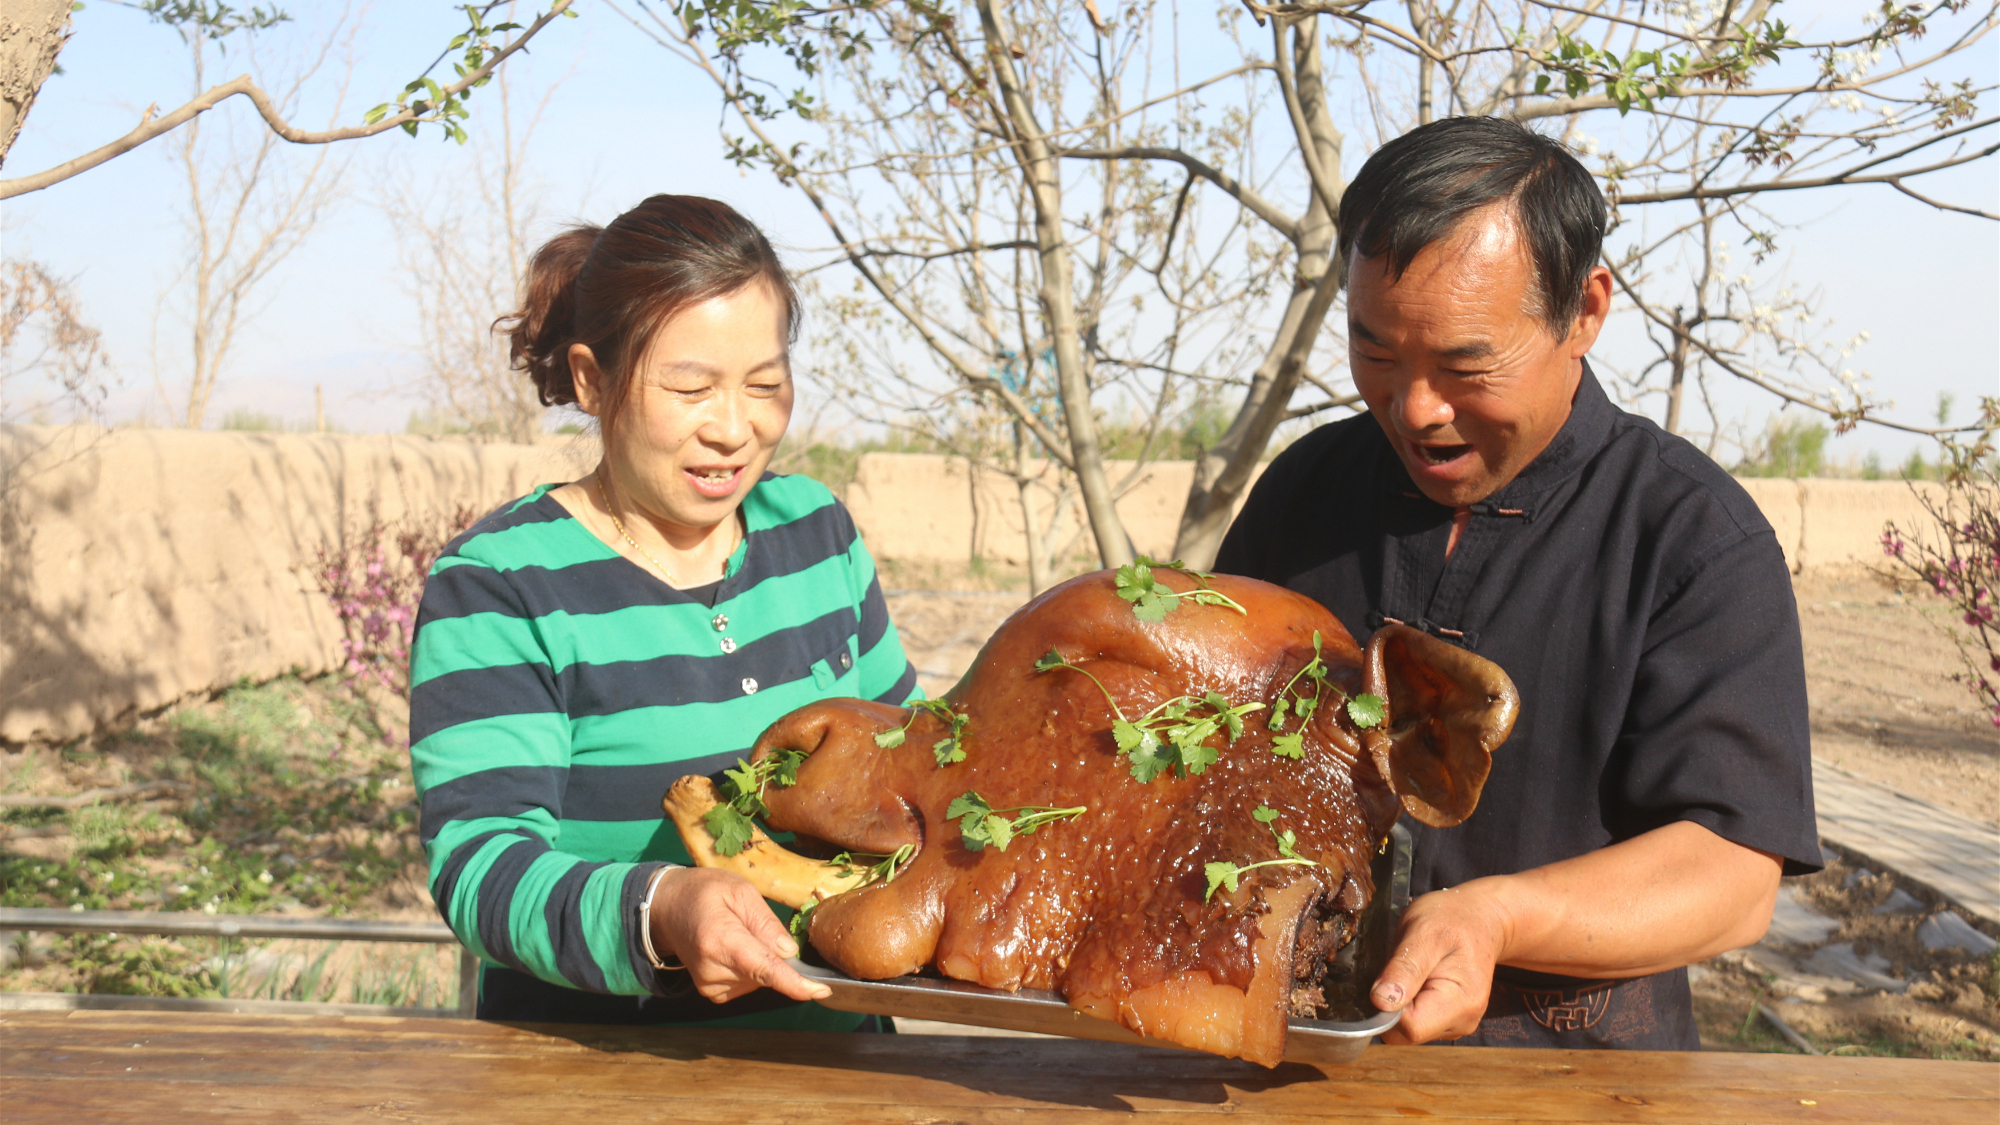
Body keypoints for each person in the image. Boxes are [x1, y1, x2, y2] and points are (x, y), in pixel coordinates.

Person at [1214, 117, 1820, 1049]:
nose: (1416, 409)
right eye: (1377, 353)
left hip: (1577, 1086)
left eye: (1465, 365)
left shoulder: (1695, 538)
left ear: (1585, 312)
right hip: (1281, 1067)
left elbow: (1734, 875)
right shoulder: (1303, 494)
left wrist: (1495, 918)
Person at [409, 194, 919, 1027]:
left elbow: (907, 758)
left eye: (764, 384)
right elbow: (480, 867)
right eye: (690, 387)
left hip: (841, 1070)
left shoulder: (816, 532)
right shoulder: (501, 583)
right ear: (591, 378)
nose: (734, 427)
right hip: (597, 1081)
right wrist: (660, 909)